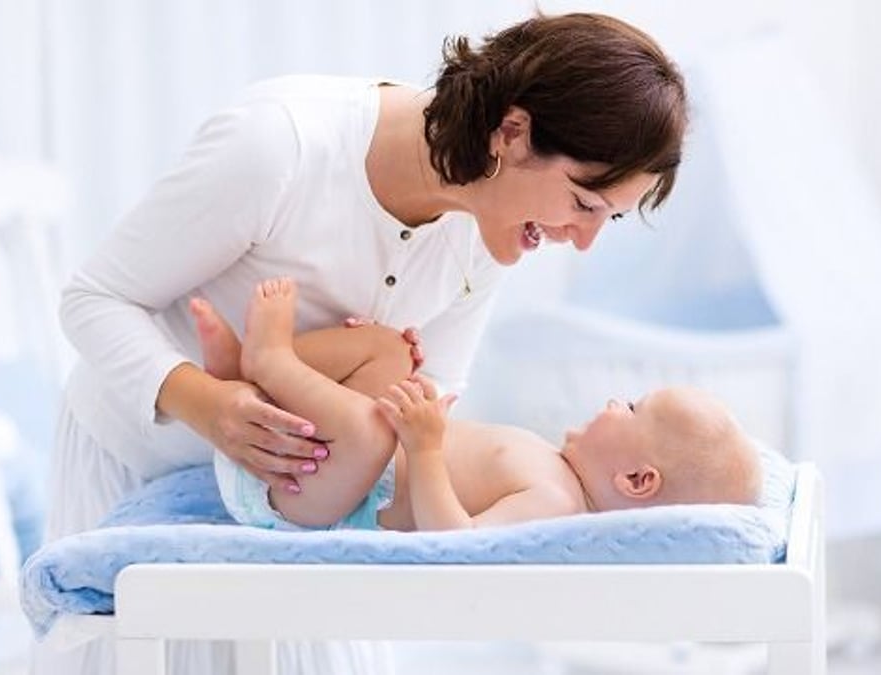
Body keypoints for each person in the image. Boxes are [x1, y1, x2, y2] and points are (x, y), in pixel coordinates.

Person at [37, 10, 688, 675]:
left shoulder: (488, 227)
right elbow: (93, 299)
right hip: (144, 458)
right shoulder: (280, 148)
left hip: (310, 508)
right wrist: (208, 403)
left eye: (608, 219)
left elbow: (428, 399)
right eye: (583, 203)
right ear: (513, 132)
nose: (583, 240)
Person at [195, 279, 761, 531]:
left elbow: (457, 541)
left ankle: (272, 361)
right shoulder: (554, 470)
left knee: (369, 432)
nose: (616, 402)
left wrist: (426, 448)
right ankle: (246, 377)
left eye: (633, 409)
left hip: (316, 497)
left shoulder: (557, 503)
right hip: (320, 460)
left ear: (637, 480)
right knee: (390, 352)